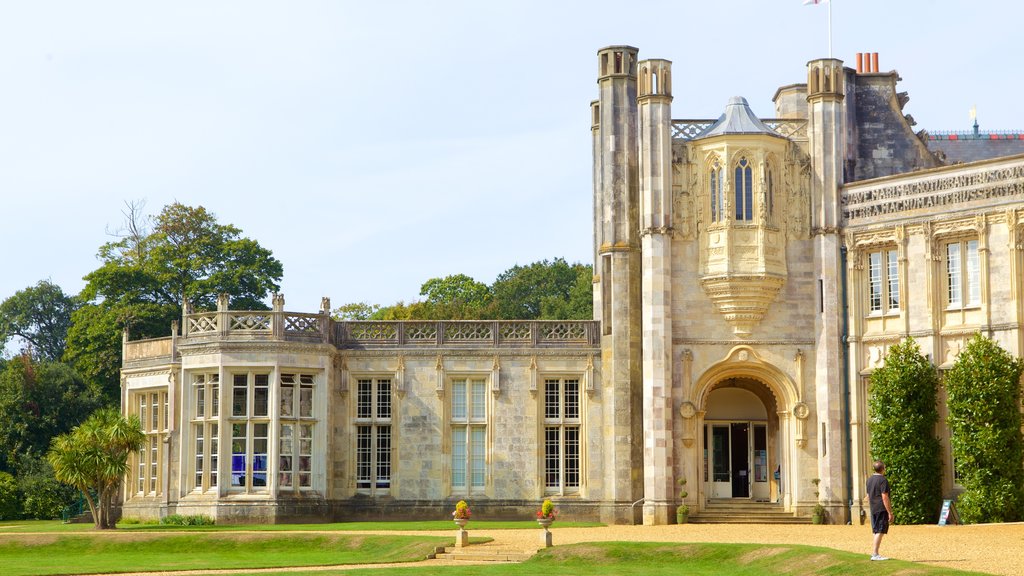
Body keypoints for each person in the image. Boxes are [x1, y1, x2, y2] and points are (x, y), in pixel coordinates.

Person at [866, 460, 895, 561]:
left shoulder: (869, 480)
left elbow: (868, 496)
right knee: (880, 530)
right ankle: (875, 554)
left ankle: (875, 553)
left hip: (873, 508)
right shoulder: (883, 480)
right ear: (883, 469)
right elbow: (884, 497)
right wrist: (890, 512)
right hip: (881, 508)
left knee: (876, 531)